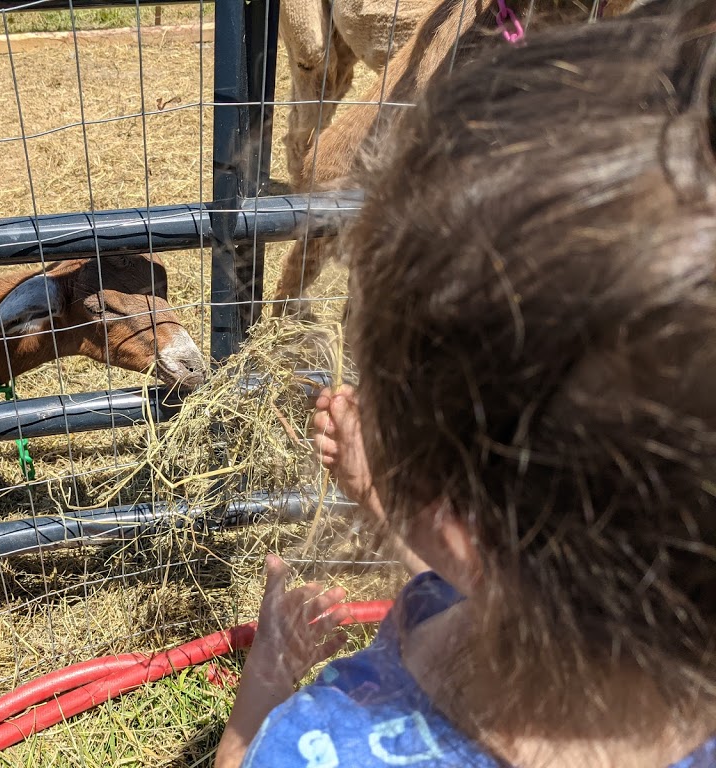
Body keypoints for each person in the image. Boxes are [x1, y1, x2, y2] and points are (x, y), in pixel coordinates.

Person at [215, 0, 716, 765]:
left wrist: (262, 694)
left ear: (452, 506)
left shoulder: (317, 744)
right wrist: (385, 502)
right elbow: (498, 585)